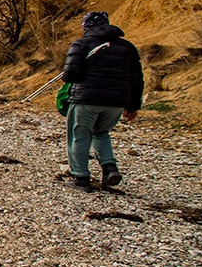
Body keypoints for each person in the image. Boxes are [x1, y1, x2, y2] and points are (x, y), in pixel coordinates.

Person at [62, 10, 144, 191]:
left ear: (86, 27)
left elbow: (69, 75)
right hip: (116, 102)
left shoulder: (81, 44)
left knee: (79, 136)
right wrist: (133, 105)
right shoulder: (128, 48)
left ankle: (81, 177)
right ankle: (109, 168)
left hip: (86, 99)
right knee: (101, 133)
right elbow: (136, 79)